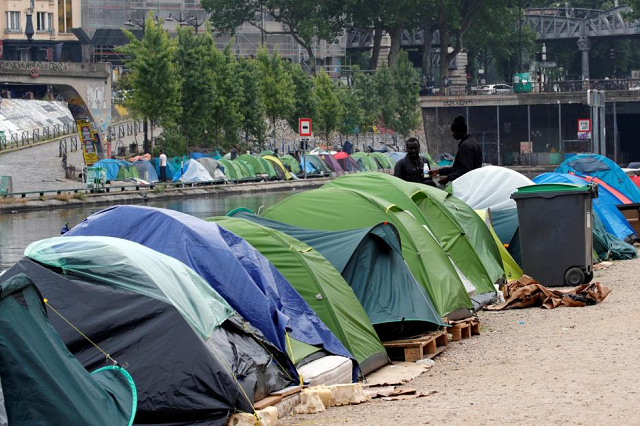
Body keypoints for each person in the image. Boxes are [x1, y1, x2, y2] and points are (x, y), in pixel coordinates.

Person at [429, 115, 482, 186]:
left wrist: (448, 178)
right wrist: (439, 171)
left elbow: (466, 170)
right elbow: (457, 168)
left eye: (453, 132)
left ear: (459, 131)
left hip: (469, 184)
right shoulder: (473, 142)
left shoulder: (465, 146)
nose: (452, 134)